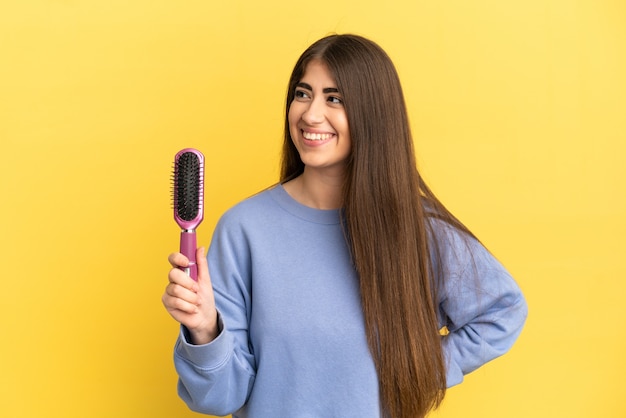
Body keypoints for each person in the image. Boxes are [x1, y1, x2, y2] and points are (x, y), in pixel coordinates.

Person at [162, 34, 527, 418]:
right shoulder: (244, 230)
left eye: (334, 99)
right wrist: (205, 330)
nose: (310, 114)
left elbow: (503, 311)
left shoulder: (418, 230)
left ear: (374, 114)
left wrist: (419, 368)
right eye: (303, 94)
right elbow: (220, 398)